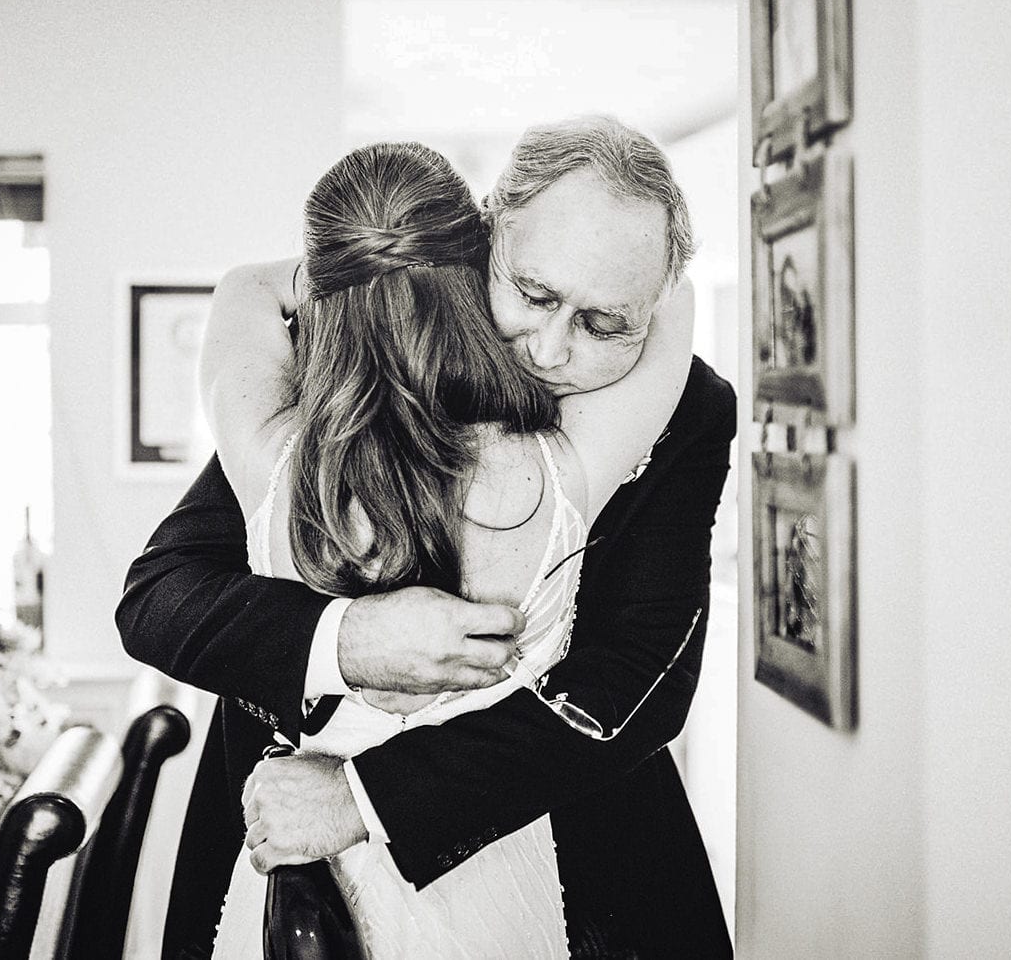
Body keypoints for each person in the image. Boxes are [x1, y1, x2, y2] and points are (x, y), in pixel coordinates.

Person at [117, 116, 735, 959]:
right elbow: (161, 596)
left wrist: (368, 797)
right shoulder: (342, 368)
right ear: (483, 237)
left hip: (573, 850)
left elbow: (643, 674)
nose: (552, 352)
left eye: (606, 324)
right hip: (283, 842)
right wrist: (346, 640)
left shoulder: (687, 409)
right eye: (535, 295)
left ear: (654, 308)